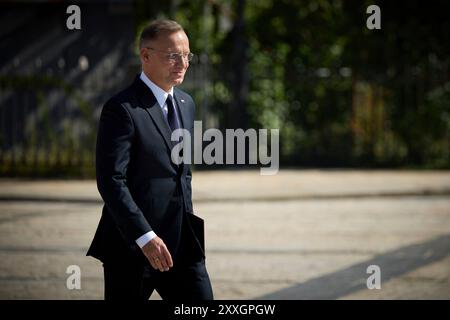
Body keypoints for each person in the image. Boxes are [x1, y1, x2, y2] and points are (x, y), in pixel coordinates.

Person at [86, 19, 213, 300]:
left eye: (186, 55)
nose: (183, 63)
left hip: (183, 246)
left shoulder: (186, 103)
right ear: (146, 56)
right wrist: (145, 237)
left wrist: (188, 227)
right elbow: (111, 181)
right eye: (173, 56)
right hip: (132, 248)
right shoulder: (122, 109)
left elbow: (182, 174)